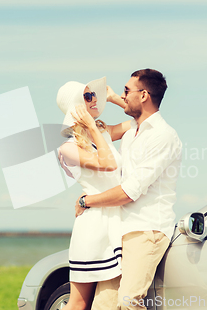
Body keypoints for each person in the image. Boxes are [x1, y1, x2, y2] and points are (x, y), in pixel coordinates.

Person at [75, 69, 182, 310]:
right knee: (103, 306)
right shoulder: (132, 130)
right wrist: (107, 98)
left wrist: (86, 201)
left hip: (145, 229)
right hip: (119, 229)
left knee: (127, 302)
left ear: (143, 95)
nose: (122, 95)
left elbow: (129, 192)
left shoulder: (163, 136)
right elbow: (92, 134)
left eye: (126, 91)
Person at [56, 76, 131, 310]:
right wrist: (90, 126)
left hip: (118, 220)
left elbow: (144, 122)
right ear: (76, 106)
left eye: (94, 95)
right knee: (79, 303)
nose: (94, 100)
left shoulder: (103, 132)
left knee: (114, 299)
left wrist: (116, 99)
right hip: (93, 225)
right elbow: (108, 163)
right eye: (87, 96)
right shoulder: (68, 148)